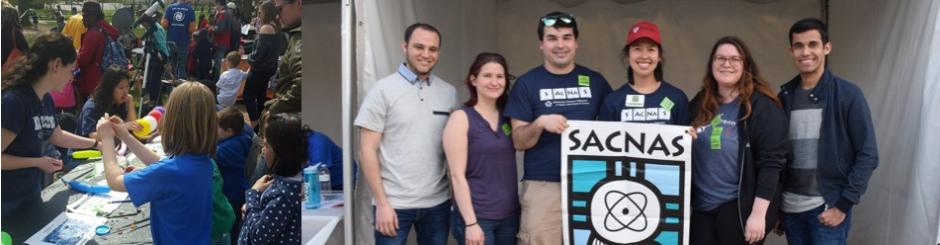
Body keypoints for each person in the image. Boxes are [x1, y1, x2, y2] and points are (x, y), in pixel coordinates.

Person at [502, 12, 612, 244]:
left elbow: (618, 127)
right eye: (552, 38)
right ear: (541, 44)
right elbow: (519, 141)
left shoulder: (595, 81)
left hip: (590, 182)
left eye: (566, 37)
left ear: (576, 42)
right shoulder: (527, 83)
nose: (560, 44)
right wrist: (540, 123)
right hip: (544, 185)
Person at [777, 18, 879, 245]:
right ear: (791, 50)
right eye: (799, 45)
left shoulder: (848, 95)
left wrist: (843, 205)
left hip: (827, 207)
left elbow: (868, 154)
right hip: (791, 208)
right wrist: (777, 206)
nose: (806, 52)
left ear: (827, 47)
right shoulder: (783, 97)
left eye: (813, 44)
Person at [354, 23, 456, 244]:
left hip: (438, 204)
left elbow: (454, 150)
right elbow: (366, 150)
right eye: (419, 47)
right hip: (393, 204)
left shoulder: (449, 93)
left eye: (433, 49)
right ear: (404, 47)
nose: (426, 54)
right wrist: (381, 204)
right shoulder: (382, 90)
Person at [688, 36, 787, 245]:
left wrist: (759, 215)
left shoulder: (762, 107)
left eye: (735, 59)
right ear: (711, 64)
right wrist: (686, 139)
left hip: (739, 208)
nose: (726, 64)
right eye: (720, 58)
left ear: (745, 65)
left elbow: (772, 164)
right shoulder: (699, 103)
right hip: (702, 209)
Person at [94, 81, 217, 244]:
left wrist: (107, 140)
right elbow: (162, 163)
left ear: (173, 123)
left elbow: (115, 181)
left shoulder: (169, 172)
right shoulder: (203, 162)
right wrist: (125, 136)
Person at [1, 33, 99, 216]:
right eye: (71, 70)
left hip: (30, 190)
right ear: (55, 65)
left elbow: (58, 136)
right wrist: (37, 162)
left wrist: (94, 143)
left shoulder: (45, 98)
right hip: (5, 199)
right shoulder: (14, 101)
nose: (71, 78)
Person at [443, 53, 520, 245]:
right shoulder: (461, 118)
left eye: (499, 76)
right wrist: (471, 223)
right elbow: (456, 176)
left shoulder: (509, 116)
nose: (494, 82)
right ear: (473, 79)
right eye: (487, 76)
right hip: (477, 217)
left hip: (509, 216)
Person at [598, 20, 689, 125]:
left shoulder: (676, 98)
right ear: (628, 55)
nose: (644, 56)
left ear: (659, 56)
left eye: (651, 49)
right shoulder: (613, 102)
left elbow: (685, 138)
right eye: (637, 49)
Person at [237, 113, 303, 244]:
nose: (263, 150)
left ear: (282, 151)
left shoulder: (283, 195)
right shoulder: (286, 185)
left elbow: (258, 235)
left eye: (266, 146)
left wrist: (252, 198)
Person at [215, 107, 253, 243]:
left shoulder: (229, 148)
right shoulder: (240, 135)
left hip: (232, 193)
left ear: (229, 131)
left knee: (232, 228)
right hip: (237, 190)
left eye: (216, 128)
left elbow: (208, 154)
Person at [244, 0, 284, 126]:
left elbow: (259, 54)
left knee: (248, 96)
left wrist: (248, 57)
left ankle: (255, 124)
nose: (258, 14)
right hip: (268, 68)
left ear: (266, 11)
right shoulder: (276, 26)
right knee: (261, 97)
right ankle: (261, 124)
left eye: (260, 11)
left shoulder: (266, 28)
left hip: (259, 69)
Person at [263, 0, 302, 118]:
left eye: (280, 9)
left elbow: (302, 84)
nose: (277, 15)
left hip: (288, 121)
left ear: (299, 4)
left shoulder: (300, 39)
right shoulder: (297, 35)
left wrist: (275, 109)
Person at [77, 67, 141, 140]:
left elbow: (132, 126)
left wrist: (130, 100)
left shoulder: (119, 101)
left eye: (127, 86)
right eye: (121, 87)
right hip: (87, 150)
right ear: (109, 88)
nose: (125, 91)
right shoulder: (92, 107)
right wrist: (123, 127)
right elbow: (92, 136)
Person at [75, 1, 120, 103]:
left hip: (91, 81)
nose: (83, 19)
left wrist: (76, 55)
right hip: (106, 76)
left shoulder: (93, 33)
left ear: (93, 16)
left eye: (85, 16)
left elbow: (84, 59)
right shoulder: (106, 29)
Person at [139, 15, 170, 106]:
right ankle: (153, 99)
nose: (144, 27)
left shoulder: (156, 29)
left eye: (144, 24)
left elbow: (162, 44)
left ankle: (155, 101)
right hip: (153, 56)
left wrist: (166, 59)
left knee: (154, 80)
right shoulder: (152, 28)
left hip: (159, 57)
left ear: (147, 22)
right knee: (149, 78)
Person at [162, 0, 196, 81]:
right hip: (183, 42)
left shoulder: (170, 8)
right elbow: (192, 29)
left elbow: (165, 24)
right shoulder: (190, 10)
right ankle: (180, 87)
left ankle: (167, 85)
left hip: (170, 41)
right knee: (181, 65)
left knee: (170, 63)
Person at [211, 0, 233, 81]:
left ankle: (218, 82)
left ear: (219, 4)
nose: (215, 7)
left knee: (218, 65)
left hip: (220, 42)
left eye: (215, 4)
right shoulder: (228, 13)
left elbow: (220, 28)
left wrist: (211, 28)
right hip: (225, 42)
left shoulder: (222, 14)